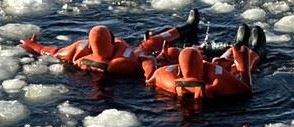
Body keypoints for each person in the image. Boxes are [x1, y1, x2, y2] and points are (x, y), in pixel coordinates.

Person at [20, 10, 200, 77]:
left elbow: (50, 50)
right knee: (151, 43)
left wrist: (30, 45)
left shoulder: (76, 53)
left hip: (94, 77)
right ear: (112, 41)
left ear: (89, 44)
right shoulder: (125, 59)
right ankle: (186, 28)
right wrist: (152, 74)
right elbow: (146, 62)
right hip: (132, 62)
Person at [146, 25, 265, 100]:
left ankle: (237, 46)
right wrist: (244, 68)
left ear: (179, 69)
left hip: (211, 74)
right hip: (214, 79)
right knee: (235, 69)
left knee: (219, 63)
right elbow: (246, 90)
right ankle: (254, 50)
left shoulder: (163, 75)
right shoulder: (215, 80)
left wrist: (153, 59)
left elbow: (149, 78)